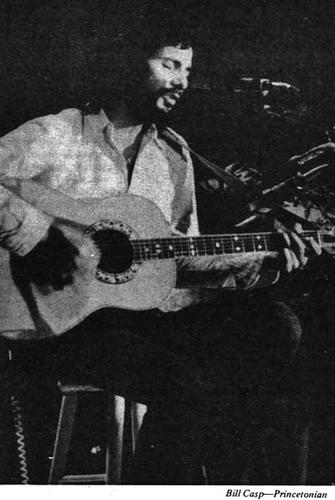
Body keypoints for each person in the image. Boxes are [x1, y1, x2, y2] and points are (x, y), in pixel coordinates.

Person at [0, 12, 321, 484]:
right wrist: (36, 236)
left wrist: (264, 258)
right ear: (125, 64)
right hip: (54, 324)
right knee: (189, 385)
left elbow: (175, 260)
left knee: (274, 325)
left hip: (136, 317)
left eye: (187, 70)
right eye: (170, 65)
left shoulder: (172, 155)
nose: (182, 82)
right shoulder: (57, 134)